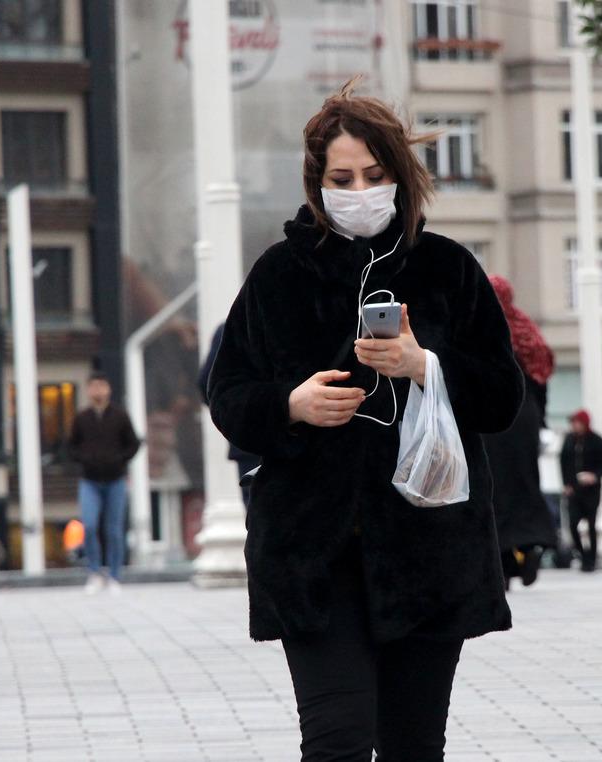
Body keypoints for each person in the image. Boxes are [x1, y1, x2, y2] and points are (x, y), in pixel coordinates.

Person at [207, 79, 523, 761]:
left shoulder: (448, 270)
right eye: (342, 177)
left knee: (413, 747)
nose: (360, 189)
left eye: (375, 175)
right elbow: (227, 392)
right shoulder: (279, 274)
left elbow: (503, 398)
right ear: (317, 183)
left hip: (429, 549)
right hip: (311, 553)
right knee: (337, 740)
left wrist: (423, 366)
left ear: (400, 178)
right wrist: (291, 404)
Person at [482, 275, 556, 591]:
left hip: (494, 418)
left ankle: (504, 564)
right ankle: (531, 546)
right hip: (525, 417)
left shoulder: (482, 327)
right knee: (526, 483)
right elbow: (541, 380)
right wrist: (540, 420)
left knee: (494, 488)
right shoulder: (527, 332)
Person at [68, 372, 141, 595]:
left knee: (114, 529)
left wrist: (119, 459)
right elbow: (71, 446)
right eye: (94, 386)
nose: (98, 391)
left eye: (102, 386)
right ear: (88, 390)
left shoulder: (120, 416)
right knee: (88, 525)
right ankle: (93, 572)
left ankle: (115, 575)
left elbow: (134, 443)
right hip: (90, 480)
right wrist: (85, 459)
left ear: (108, 389)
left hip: (115, 480)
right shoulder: (81, 418)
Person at [198, 323, 262, 506]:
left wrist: (231, 413)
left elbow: (208, 384)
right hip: (299, 434)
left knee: (257, 512)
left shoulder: (231, 329)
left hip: (247, 438)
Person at [559, 409, 602, 573]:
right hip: (574, 490)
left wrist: (594, 476)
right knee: (573, 524)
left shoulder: (596, 440)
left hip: (591, 490)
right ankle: (582, 554)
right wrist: (566, 484)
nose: (575, 426)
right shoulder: (568, 440)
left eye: (577, 423)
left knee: (591, 525)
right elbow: (563, 462)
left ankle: (592, 559)